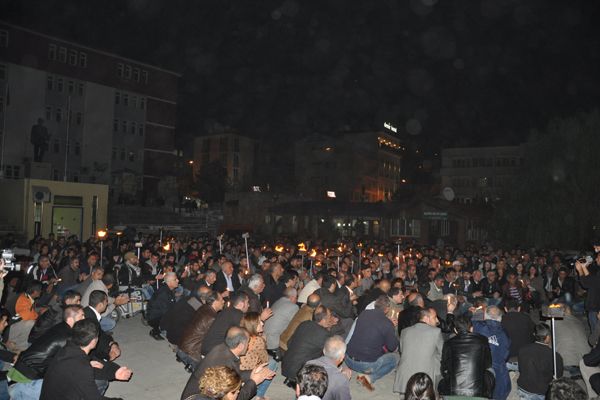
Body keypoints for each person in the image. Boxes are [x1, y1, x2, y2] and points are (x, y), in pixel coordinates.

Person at [40, 319, 132, 400]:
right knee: (101, 383)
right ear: (93, 341)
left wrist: (114, 373)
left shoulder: (68, 348)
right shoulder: (82, 367)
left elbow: (84, 368)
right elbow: (94, 398)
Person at [8, 305, 85, 400]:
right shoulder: (68, 337)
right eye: (81, 316)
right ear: (70, 319)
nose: (84, 318)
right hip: (25, 378)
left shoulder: (61, 326)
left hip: (20, 368)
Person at [180, 326, 275, 400]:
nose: (249, 345)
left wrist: (252, 373)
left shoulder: (222, 348)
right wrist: (254, 381)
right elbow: (238, 397)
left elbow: (235, 374)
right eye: (248, 342)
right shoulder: (225, 363)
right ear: (241, 346)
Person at [346, 295, 398, 391]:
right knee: (393, 360)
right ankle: (369, 378)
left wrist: (388, 323)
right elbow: (392, 347)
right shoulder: (387, 324)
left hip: (348, 359)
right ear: (387, 309)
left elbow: (373, 325)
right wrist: (392, 327)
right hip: (365, 366)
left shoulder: (364, 313)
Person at [438, 315, 494, 398]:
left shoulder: (448, 343)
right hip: (478, 391)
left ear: (455, 330)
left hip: (453, 390)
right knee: (491, 370)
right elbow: (488, 364)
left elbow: (443, 368)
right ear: (471, 328)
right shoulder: (483, 340)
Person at [394, 307, 443, 395]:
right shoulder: (436, 332)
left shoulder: (405, 331)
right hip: (424, 377)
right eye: (435, 317)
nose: (437, 321)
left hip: (404, 377)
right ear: (426, 318)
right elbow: (442, 354)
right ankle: (432, 391)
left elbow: (402, 351)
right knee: (441, 363)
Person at [282, 305, 335, 387]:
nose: (331, 319)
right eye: (329, 317)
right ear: (323, 320)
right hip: (298, 372)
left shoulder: (304, 324)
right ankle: (300, 385)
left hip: (286, 364)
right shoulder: (323, 334)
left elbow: (289, 343)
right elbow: (332, 354)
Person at [517, 323, 564, 400]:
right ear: (548, 337)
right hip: (542, 393)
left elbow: (521, 369)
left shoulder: (522, 349)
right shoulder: (555, 356)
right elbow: (558, 377)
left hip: (523, 389)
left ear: (534, 334)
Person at [474, 305, 511, 400]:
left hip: (479, 374)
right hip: (499, 375)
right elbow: (506, 354)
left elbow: (474, 319)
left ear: (485, 316)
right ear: (500, 318)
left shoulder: (477, 327)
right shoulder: (505, 334)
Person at [201, 292, 250, 357]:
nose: (249, 305)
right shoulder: (238, 314)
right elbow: (248, 332)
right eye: (247, 302)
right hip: (214, 352)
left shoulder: (227, 310)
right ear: (241, 304)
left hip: (206, 348)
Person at [239, 312, 275, 400]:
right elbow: (265, 359)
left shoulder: (240, 333)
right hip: (247, 373)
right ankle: (259, 395)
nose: (262, 323)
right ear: (253, 325)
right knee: (273, 363)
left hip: (237, 368)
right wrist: (263, 340)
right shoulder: (257, 340)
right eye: (259, 322)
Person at [307, 336, 352, 400]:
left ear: (324, 350)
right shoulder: (341, 380)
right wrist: (345, 378)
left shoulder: (309, 363)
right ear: (342, 357)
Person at [553, 304, 590, 377]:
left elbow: (546, 340)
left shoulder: (553, 320)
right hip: (585, 361)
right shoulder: (578, 321)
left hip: (567, 363)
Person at [263, 287, 298, 359]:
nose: (296, 300)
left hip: (264, 338)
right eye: (296, 297)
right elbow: (294, 325)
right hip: (273, 343)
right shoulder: (294, 307)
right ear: (292, 297)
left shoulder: (279, 301)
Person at [501, 298, 535, 371]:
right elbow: (533, 333)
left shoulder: (501, 320)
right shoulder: (526, 318)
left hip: (508, 358)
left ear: (505, 309)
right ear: (519, 308)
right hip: (526, 356)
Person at [146, 272, 179, 340]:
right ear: (169, 282)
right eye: (175, 279)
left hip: (159, 313)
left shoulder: (168, 289)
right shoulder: (163, 293)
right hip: (154, 317)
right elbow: (166, 311)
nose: (178, 280)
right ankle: (155, 331)